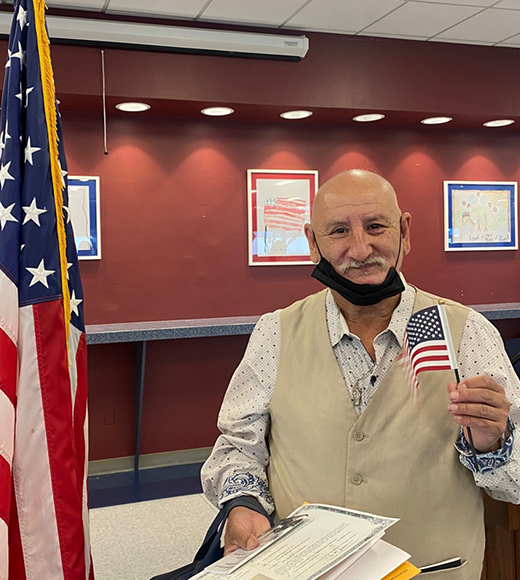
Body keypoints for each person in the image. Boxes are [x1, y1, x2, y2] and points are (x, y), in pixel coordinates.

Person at [201, 170, 519, 578]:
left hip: (433, 569)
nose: (360, 247)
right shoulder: (275, 333)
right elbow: (238, 446)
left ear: (404, 231)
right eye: (338, 231)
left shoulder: (467, 332)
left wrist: (495, 442)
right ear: (313, 243)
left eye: (375, 226)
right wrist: (242, 503)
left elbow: (514, 483)